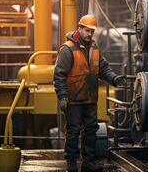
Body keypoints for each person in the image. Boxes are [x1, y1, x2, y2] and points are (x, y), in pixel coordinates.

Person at [54, 14, 126, 172]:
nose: (90, 34)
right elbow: (59, 75)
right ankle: (72, 163)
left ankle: (88, 162)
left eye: (92, 31)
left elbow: (103, 69)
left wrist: (114, 79)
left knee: (91, 130)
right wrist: (63, 97)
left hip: (90, 99)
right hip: (74, 99)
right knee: (73, 131)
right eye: (87, 30)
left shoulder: (94, 48)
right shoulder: (68, 49)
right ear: (79, 28)